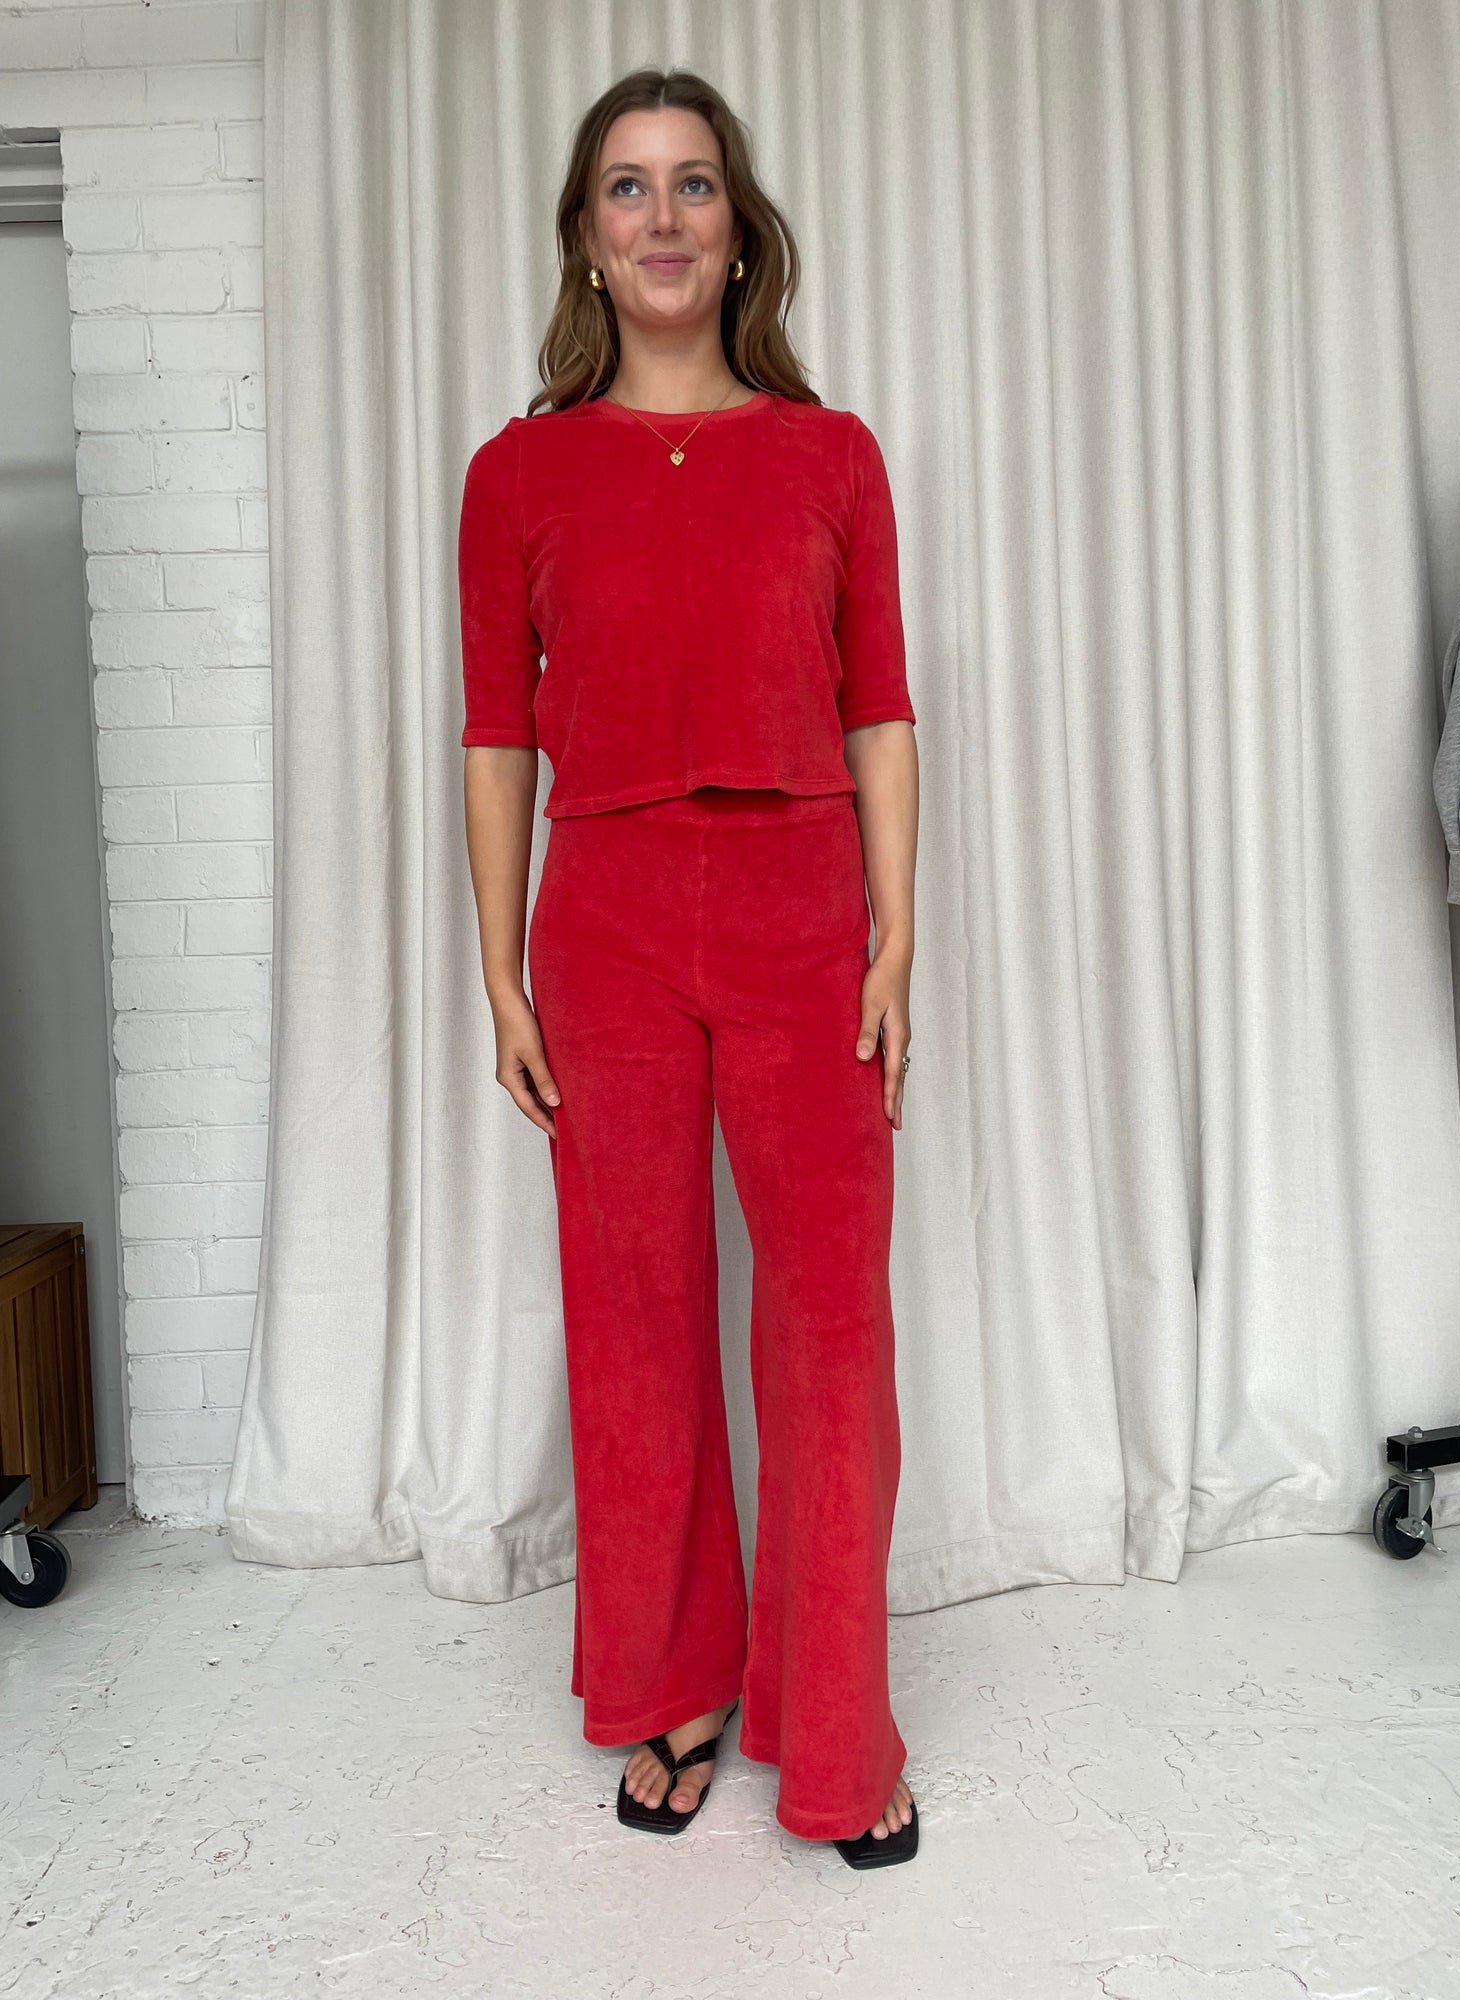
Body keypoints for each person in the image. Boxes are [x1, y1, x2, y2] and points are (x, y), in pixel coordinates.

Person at [458, 65, 920, 1870]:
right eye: (629, 188)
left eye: (695, 185)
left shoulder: (831, 452)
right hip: (611, 923)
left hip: (806, 910)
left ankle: (838, 1728)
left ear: (742, 235)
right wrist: (501, 973)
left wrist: (898, 935)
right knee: (634, 1322)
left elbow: (880, 710)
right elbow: (499, 736)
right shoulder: (518, 472)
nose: (664, 218)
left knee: (829, 1326)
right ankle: (674, 1681)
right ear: (588, 238)